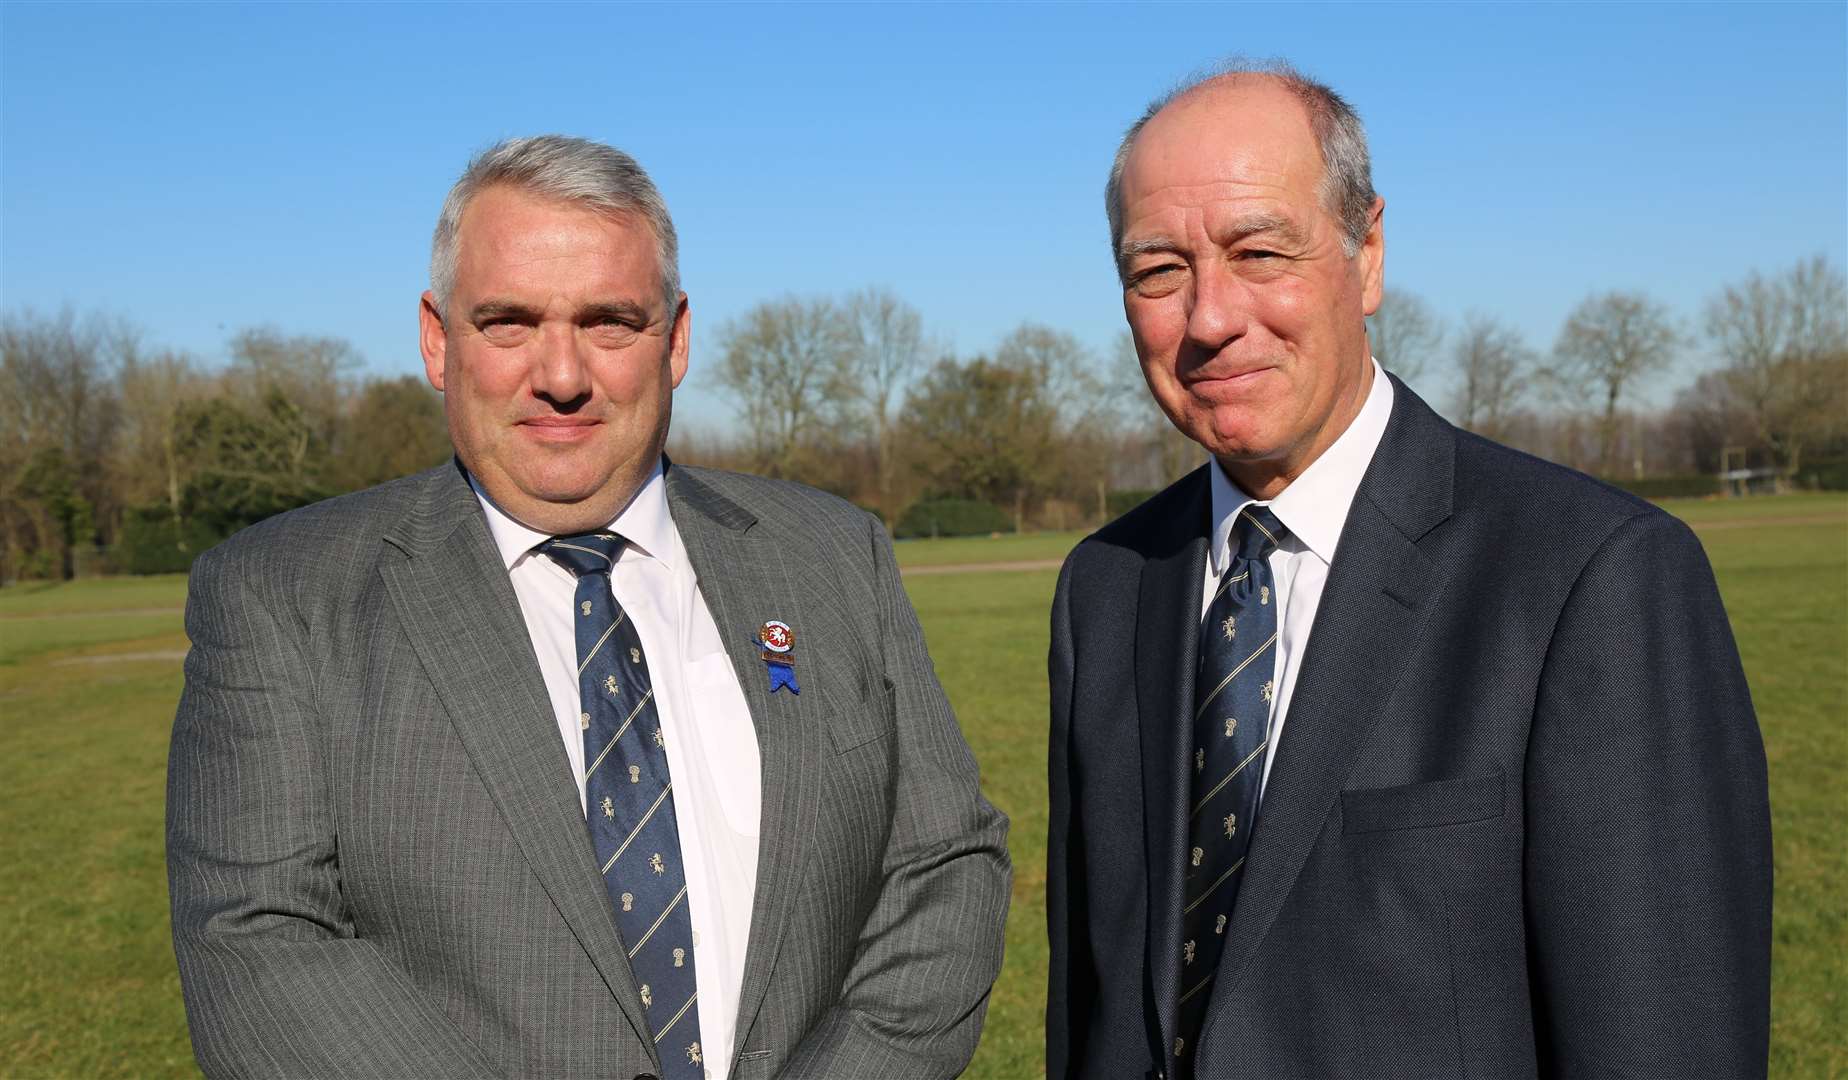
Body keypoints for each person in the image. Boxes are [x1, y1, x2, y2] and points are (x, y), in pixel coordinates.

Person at [168, 135, 1010, 1080]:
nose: (561, 375)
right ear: (438, 340)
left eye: (610, 322)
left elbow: (945, 865)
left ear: (677, 338)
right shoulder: (282, 594)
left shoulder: (832, 555)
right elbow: (258, 943)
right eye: (509, 323)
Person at [1047, 62, 1771, 1080]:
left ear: (1369, 253)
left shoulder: (1593, 578)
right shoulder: (1107, 585)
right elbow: (1093, 1002)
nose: (1210, 317)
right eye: (1159, 270)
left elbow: (1663, 1037)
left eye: (1259, 251)